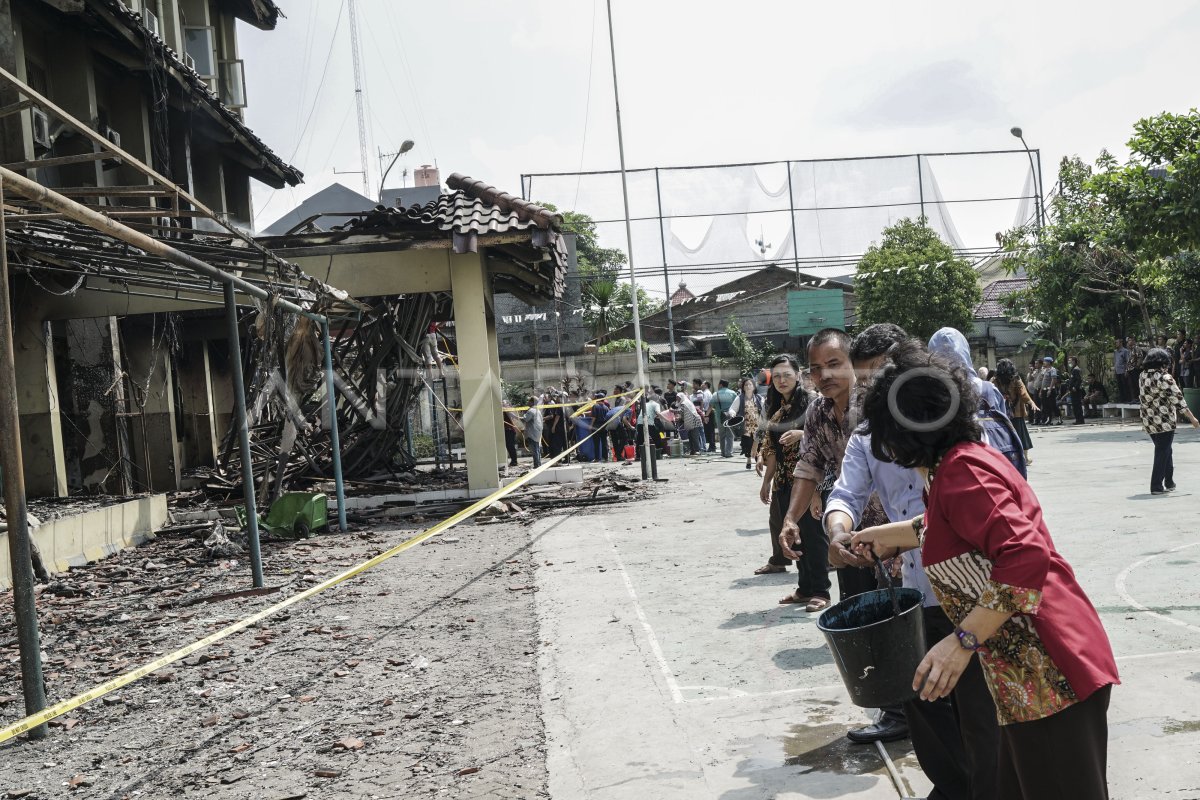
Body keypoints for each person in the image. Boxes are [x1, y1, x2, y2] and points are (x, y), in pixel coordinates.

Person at [852, 341, 1120, 800]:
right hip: (1020, 672)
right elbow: (943, 526)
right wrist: (881, 536)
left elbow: (1025, 555)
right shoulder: (953, 468)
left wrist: (961, 642)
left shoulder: (963, 473)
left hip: (1049, 667)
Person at [824, 324, 1000, 790]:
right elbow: (847, 494)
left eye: (882, 377)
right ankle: (954, 785)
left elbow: (1018, 553)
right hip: (914, 593)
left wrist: (965, 640)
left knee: (979, 709)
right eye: (867, 382)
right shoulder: (868, 440)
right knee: (923, 703)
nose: (875, 391)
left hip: (972, 593)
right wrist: (843, 532)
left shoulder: (964, 446)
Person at [779, 329, 887, 611]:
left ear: (852, 362)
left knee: (899, 614)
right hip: (847, 528)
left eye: (834, 364)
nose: (824, 375)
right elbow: (808, 467)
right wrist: (790, 519)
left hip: (892, 529)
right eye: (816, 369)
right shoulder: (817, 412)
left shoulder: (878, 404)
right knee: (857, 610)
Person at [755, 354, 810, 576]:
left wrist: (802, 433)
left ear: (798, 375)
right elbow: (774, 448)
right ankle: (779, 560)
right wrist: (767, 480)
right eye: (776, 376)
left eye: (787, 375)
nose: (781, 380)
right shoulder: (776, 406)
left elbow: (831, 434)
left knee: (807, 527)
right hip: (782, 475)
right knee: (777, 518)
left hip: (807, 475)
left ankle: (817, 574)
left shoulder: (812, 401)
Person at [1139, 347, 1200, 495]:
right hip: (1164, 420)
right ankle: (1156, 486)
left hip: (1149, 420)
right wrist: (1193, 419)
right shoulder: (1164, 377)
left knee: (1166, 450)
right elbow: (1179, 400)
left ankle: (1169, 481)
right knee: (1162, 451)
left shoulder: (1142, 375)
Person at [992, 359, 1037, 466]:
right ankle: (1025, 457)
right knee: (1021, 435)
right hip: (1016, 412)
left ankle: (1005, 457)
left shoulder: (995, 380)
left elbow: (990, 391)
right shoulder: (1016, 378)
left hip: (1001, 412)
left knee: (1003, 434)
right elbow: (1023, 393)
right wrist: (1031, 402)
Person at [730, 376, 764, 470]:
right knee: (747, 444)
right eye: (746, 385)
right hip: (746, 426)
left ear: (754, 386)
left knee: (759, 443)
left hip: (758, 425)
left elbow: (765, 409)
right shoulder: (739, 398)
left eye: (750, 384)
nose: (748, 386)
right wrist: (732, 414)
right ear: (743, 387)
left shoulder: (759, 398)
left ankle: (758, 461)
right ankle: (749, 459)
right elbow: (732, 409)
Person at [710, 379, 738, 458]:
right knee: (730, 435)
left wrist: (706, 416)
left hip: (720, 418)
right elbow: (737, 404)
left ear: (721, 385)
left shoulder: (716, 394)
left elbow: (710, 406)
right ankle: (728, 452)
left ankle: (723, 452)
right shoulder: (733, 393)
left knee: (722, 435)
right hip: (730, 417)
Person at [522, 396, 543, 468]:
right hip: (537, 432)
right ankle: (538, 464)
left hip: (532, 433)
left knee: (534, 449)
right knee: (537, 448)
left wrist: (516, 416)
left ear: (531, 402)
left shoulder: (531, 411)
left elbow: (525, 419)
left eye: (528, 401)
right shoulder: (538, 410)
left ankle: (536, 465)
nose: (527, 402)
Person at [1067, 356, 1086, 425]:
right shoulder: (1073, 369)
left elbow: (1079, 379)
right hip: (1072, 390)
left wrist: (1075, 387)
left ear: (1074, 361)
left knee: (1077, 405)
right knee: (1075, 405)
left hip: (1076, 390)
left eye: (1070, 361)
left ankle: (1080, 420)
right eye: (1068, 361)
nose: (1069, 362)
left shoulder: (1076, 369)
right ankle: (1078, 419)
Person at [1113, 338, 1130, 403]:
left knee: (1125, 386)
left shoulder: (1125, 351)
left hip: (1123, 371)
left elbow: (1127, 361)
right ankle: (1122, 400)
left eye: (1117, 342)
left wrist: (1126, 371)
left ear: (1121, 343)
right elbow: (1115, 362)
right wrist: (1115, 371)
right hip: (1117, 371)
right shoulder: (1115, 352)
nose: (1115, 344)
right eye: (1115, 343)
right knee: (1120, 386)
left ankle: (1127, 399)